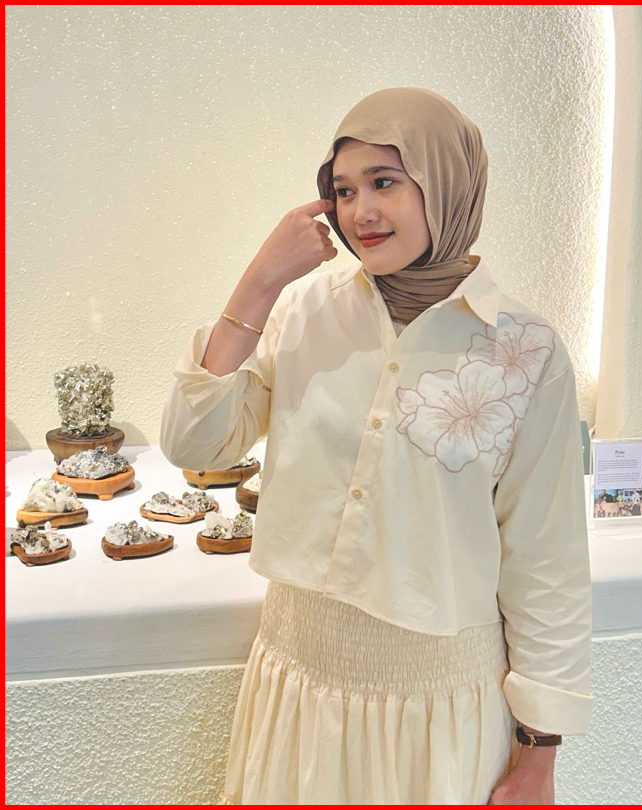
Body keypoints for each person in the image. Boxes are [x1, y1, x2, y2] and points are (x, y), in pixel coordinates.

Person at [160, 87, 592, 805]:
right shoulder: (305, 310)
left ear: (446, 183)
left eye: (385, 182)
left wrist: (539, 754)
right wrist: (259, 283)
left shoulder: (525, 351)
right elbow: (194, 441)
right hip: (299, 685)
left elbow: (547, 560)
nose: (360, 211)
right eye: (343, 190)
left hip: (442, 708)